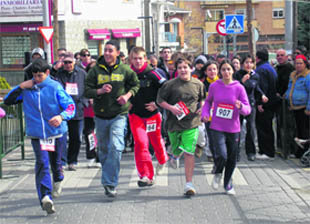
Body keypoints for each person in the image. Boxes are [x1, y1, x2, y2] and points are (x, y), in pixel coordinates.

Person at [4, 58, 75, 214]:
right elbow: (8, 101)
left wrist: (61, 117)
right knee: (42, 164)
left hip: (56, 134)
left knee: (56, 165)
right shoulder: (27, 89)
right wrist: (21, 86)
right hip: (37, 134)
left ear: (47, 73)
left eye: (40, 76)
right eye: (34, 76)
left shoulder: (55, 87)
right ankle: (45, 198)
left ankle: (58, 180)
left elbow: (70, 106)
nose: (36, 79)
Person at [84, 40, 140, 198]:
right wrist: (99, 91)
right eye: (106, 50)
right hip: (100, 117)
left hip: (119, 115)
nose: (107, 53)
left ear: (117, 53)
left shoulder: (125, 70)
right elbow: (86, 91)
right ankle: (108, 175)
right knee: (103, 150)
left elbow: (135, 85)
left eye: (111, 51)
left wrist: (127, 96)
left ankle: (109, 183)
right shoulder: (95, 71)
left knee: (116, 147)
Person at [157, 58, 206, 196]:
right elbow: (160, 100)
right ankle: (174, 156)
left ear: (191, 68)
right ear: (177, 70)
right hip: (174, 124)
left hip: (192, 123)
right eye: (180, 68)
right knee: (177, 148)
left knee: (189, 152)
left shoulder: (198, 84)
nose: (183, 70)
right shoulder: (170, 85)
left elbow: (203, 99)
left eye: (185, 67)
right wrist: (171, 108)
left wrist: (202, 107)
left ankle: (189, 184)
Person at [201, 60, 251, 195]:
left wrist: (241, 107)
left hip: (233, 128)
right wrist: (205, 113)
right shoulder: (214, 86)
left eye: (228, 69)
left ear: (233, 71)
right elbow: (208, 102)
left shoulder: (239, 87)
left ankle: (227, 182)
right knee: (222, 154)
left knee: (232, 158)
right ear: (220, 71)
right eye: (223, 69)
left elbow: (248, 109)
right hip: (217, 126)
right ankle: (218, 172)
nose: (226, 72)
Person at [129, 46, 168, 187]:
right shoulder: (128, 74)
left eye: (140, 58)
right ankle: (146, 175)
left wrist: (157, 104)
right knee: (141, 143)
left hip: (152, 116)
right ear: (130, 59)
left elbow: (167, 88)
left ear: (145, 59)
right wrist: (126, 102)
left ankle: (163, 159)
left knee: (156, 141)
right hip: (135, 116)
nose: (138, 61)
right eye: (135, 58)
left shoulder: (153, 73)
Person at [53, 52, 87, 171]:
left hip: (77, 109)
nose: (67, 65)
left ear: (74, 62)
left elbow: (87, 88)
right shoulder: (59, 74)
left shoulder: (82, 73)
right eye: (65, 62)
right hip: (63, 110)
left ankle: (72, 160)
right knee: (62, 137)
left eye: (70, 62)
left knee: (76, 137)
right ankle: (62, 161)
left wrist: (84, 102)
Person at [234, 55, 268, 161]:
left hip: (250, 104)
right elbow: (234, 89)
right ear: (242, 64)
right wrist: (242, 81)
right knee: (237, 129)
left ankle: (251, 152)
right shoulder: (237, 75)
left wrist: (262, 95)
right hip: (238, 105)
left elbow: (256, 87)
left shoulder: (255, 75)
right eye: (246, 62)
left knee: (251, 128)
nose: (248, 65)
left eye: (251, 62)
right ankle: (235, 152)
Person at [255, 49, 279, 160]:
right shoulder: (270, 68)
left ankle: (267, 152)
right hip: (272, 102)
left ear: (257, 57)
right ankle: (267, 150)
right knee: (268, 127)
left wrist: (260, 103)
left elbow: (262, 88)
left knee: (264, 127)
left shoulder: (261, 70)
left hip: (265, 103)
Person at [285, 54, 310, 158]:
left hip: (304, 107)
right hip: (295, 107)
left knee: (305, 131)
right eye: (296, 63)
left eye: (300, 63)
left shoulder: (308, 76)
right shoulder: (293, 75)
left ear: (305, 64)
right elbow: (289, 88)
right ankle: (300, 152)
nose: (298, 65)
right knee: (299, 131)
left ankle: (305, 152)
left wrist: (309, 108)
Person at [275, 49, 296, 155]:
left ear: (286, 56)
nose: (279, 57)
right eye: (278, 55)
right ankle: (281, 146)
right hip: (279, 102)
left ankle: (290, 148)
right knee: (280, 125)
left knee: (288, 126)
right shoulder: (276, 68)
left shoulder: (291, 69)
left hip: (288, 101)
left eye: (282, 55)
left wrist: (285, 94)